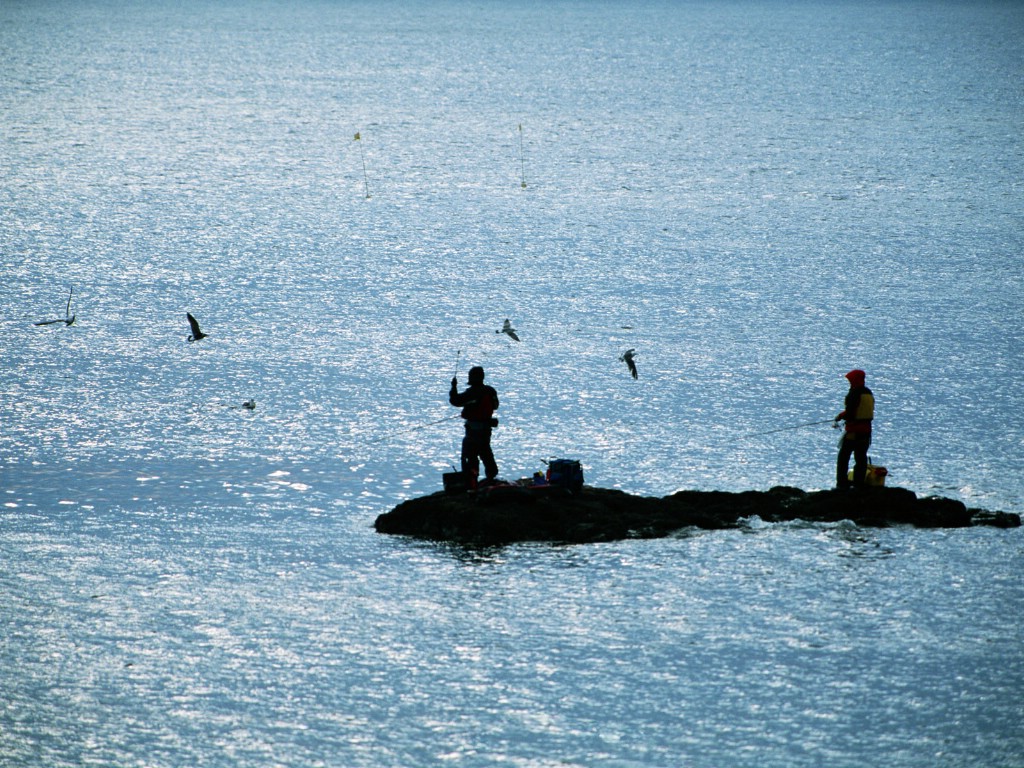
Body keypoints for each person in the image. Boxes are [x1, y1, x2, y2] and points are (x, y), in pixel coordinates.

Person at [449, 366, 500, 487]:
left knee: (471, 457)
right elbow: (496, 406)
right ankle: (491, 478)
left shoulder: (472, 392)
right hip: (486, 430)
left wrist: (453, 387)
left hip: (473, 432)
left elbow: (455, 401)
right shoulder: (491, 391)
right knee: (486, 453)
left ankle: (472, 483)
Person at [834, 368, 874, 489]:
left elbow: (850, 412)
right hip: (866, 432)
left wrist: (840, 416)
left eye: (850, 380)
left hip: (853, 432)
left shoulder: (854, 393)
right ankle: (859, 485)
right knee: (861, 459)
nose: (850, 383)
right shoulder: (869, 393)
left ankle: (842, 484)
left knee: (843, 458)